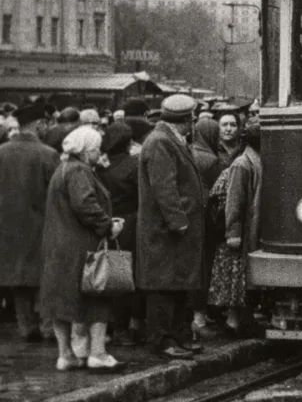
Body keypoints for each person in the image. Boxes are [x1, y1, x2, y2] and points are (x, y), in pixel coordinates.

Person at [38, 126, 126, 371]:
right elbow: (85, 204)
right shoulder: (80, 170)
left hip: (59, 246)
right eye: (96, 149)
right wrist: (108, 226)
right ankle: (97, 353)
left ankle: (66, 355)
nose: (99, 153)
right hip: (81, 246)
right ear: (87, 151)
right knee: (97, 295)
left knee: (62, 301)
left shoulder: (63, 168)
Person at [137, 94, 206, 360]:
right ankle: (162, 340)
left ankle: (177, 335)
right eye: (192, 119)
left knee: (177, 285)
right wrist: (179, 223)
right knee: (163, 288)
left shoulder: (169, 140)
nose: (194, 124)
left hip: (175, 232)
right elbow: (164, 189)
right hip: (166, 233)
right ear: (185, 120)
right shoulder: (160, 143)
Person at [0, 104, 59, 342]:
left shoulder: (1, 151)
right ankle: (47, 327)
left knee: (18, 278)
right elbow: (58, 192)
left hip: (7, 227)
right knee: (45, 279)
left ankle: (26, 327)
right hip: (41, 226)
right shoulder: (48, 154)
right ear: (38, 125)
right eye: (45, 124)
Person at [208, 119, 262, 336]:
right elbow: (234, 201)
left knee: (241, 281)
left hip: (250, 229)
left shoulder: (252, 160)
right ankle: (233, 323)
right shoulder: (243, 164)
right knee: (236, 283)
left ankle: (239, 322)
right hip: (243, 232)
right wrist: (233, 232)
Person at [97, 121, 143, 347]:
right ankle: (124, 327)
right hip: (130, 224)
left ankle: (107, 326)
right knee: (126, 275)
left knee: (105, 274)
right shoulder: (134, 165)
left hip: (105, 223)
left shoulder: (100, 166)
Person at [188, 117, 226, 339]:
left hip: (191, 220)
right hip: (207, 222)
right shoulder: (212, 161)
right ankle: (200, 319)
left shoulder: (189, 153)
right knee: (204, 268)